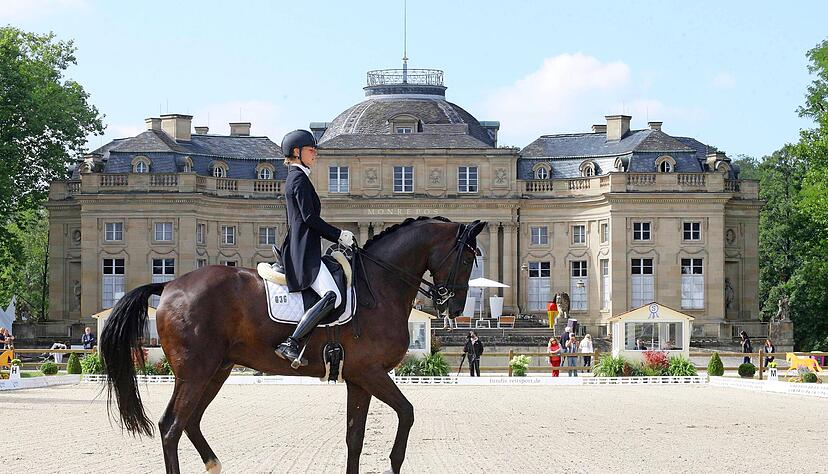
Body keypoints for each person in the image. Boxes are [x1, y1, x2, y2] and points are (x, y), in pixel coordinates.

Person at [274, 130, 356, 367]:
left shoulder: (298, 178)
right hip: (303, 253)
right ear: (297, 153)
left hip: (306, 248)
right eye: (311, 150)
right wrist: (339, 235)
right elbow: (310, 218)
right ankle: (292, 342)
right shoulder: (298, 179)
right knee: (332, 295)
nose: (315, 154)